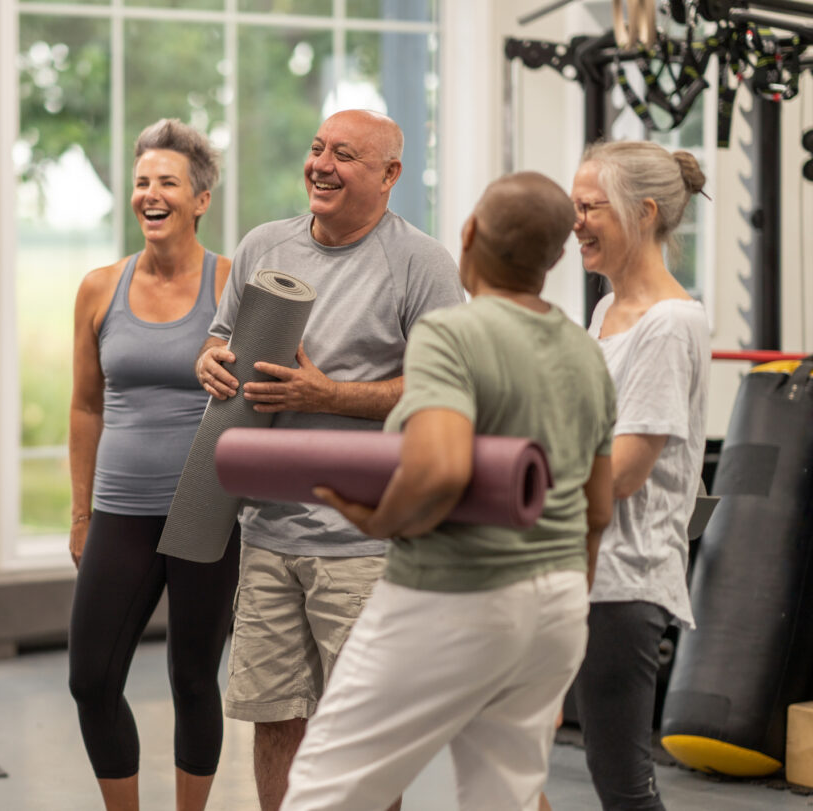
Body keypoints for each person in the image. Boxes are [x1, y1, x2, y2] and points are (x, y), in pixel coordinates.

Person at [279, 171, 618, 811]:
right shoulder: (583, 351)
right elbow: (597, 510)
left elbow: (438, 468)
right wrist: (563, 608)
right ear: (554, 260)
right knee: (505, 798)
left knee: (325, 791)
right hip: (558, 603)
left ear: (468, 236)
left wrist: (382, 520)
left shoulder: (453, 334)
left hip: (456, 592)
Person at [195, 108, 464, 811]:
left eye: (344, 154)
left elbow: (445, 389)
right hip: (267, 533)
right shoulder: (263, 247)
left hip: (366, 542)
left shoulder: (422, 263)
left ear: (389, 175)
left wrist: (330, 394)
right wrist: (212, 363)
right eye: (316, 148)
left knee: (364, 732)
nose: (321, 164)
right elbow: (221, 338)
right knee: (276, 716)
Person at [68, 119, 239, 811]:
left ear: (200, 198)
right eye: (142, 182)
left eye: (167, 181)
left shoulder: (232, 282)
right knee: (91, 678)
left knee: (194, 677)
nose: (150, 193)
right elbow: (85, 407)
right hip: (120, 506)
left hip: (206, 507)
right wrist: (79, 511)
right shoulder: (99, 287)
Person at [570, 141, 710, 810]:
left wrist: (520, 477)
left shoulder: (670, 323)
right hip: (586, 565)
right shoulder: (603, 313)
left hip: (626, 577)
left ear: (645, 212)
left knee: (623, 781)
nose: (578, 223)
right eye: (576, 207)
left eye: (592, 207)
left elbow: (623, 471)